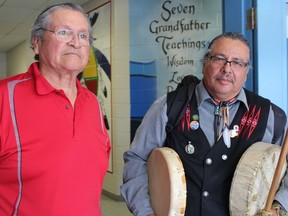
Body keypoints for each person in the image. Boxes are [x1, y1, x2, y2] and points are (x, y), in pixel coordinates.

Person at [120, 32, 288, 216]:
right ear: (205, 63)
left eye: (238, 63)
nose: (227, 69)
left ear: (246, 72)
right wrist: (146, 212)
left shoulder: (270, 116)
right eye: (219, 59)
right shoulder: (168, 107)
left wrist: (280, 207)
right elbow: (137, 159)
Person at [0, 3, 110, 216]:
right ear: (37, 43)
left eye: (83, 36)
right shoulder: (5, 98)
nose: (75, 43)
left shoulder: (93, 104)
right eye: (63, 32)